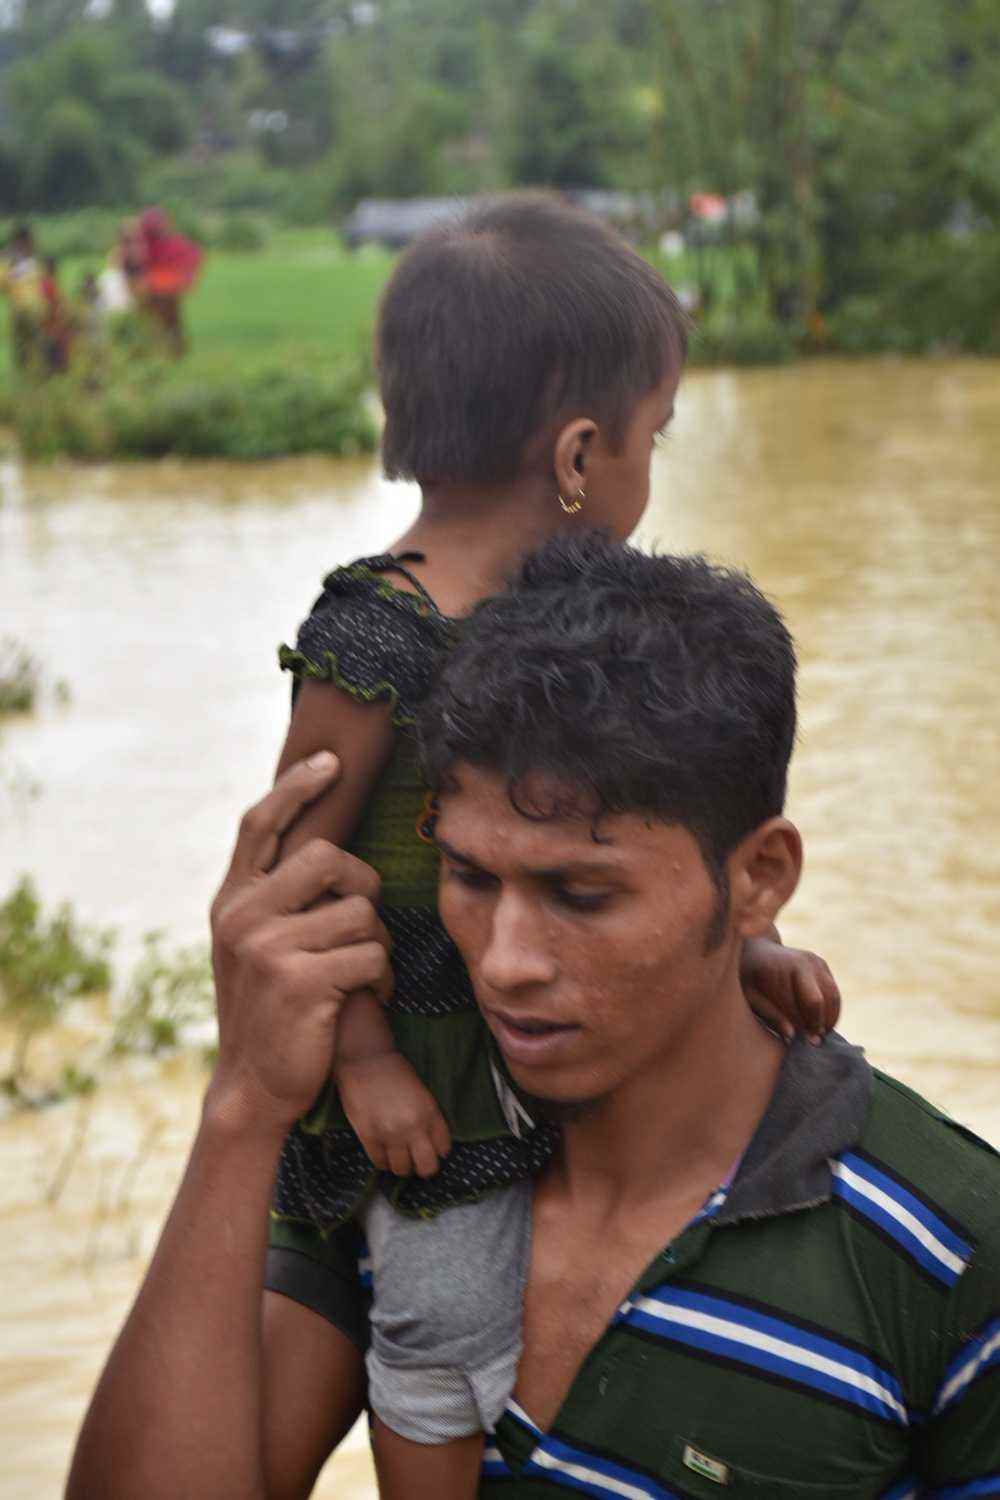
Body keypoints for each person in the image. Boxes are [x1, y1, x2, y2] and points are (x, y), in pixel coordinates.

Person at [68, 534, 1000, 1499]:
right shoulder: (409, 1166)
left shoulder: (951, 1255)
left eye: (582, 895)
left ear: (759, 879)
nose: (504, 964)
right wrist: (244, 1102)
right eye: (468, 876)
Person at [263, 197, 836, 1496]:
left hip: (545, 1057)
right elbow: (293, 883)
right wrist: (362, 1064)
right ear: (582, 456)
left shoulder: (583, 630)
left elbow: (653, 832)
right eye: (651, 441)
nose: (647, 476)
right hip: (427, 1081)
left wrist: (752, 946)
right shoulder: (379, 632)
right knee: (446, 1319)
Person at [134, 206, 203, 356]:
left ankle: (173, 351)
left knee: (169, 322)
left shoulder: (171, 243)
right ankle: (154, 350)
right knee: (153, 322)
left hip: (165, 290)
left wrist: (187, 279)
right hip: (154, 289)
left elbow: (193, 256)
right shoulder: (144, 242)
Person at [0, 224, 45, 372]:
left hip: (36, 310)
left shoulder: (34, 261)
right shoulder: (10, 262)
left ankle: (36, 374)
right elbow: (4, 285)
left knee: (37, 347)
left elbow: (43, 284)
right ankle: (25, 375)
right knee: (21, 348)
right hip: (19, 310)